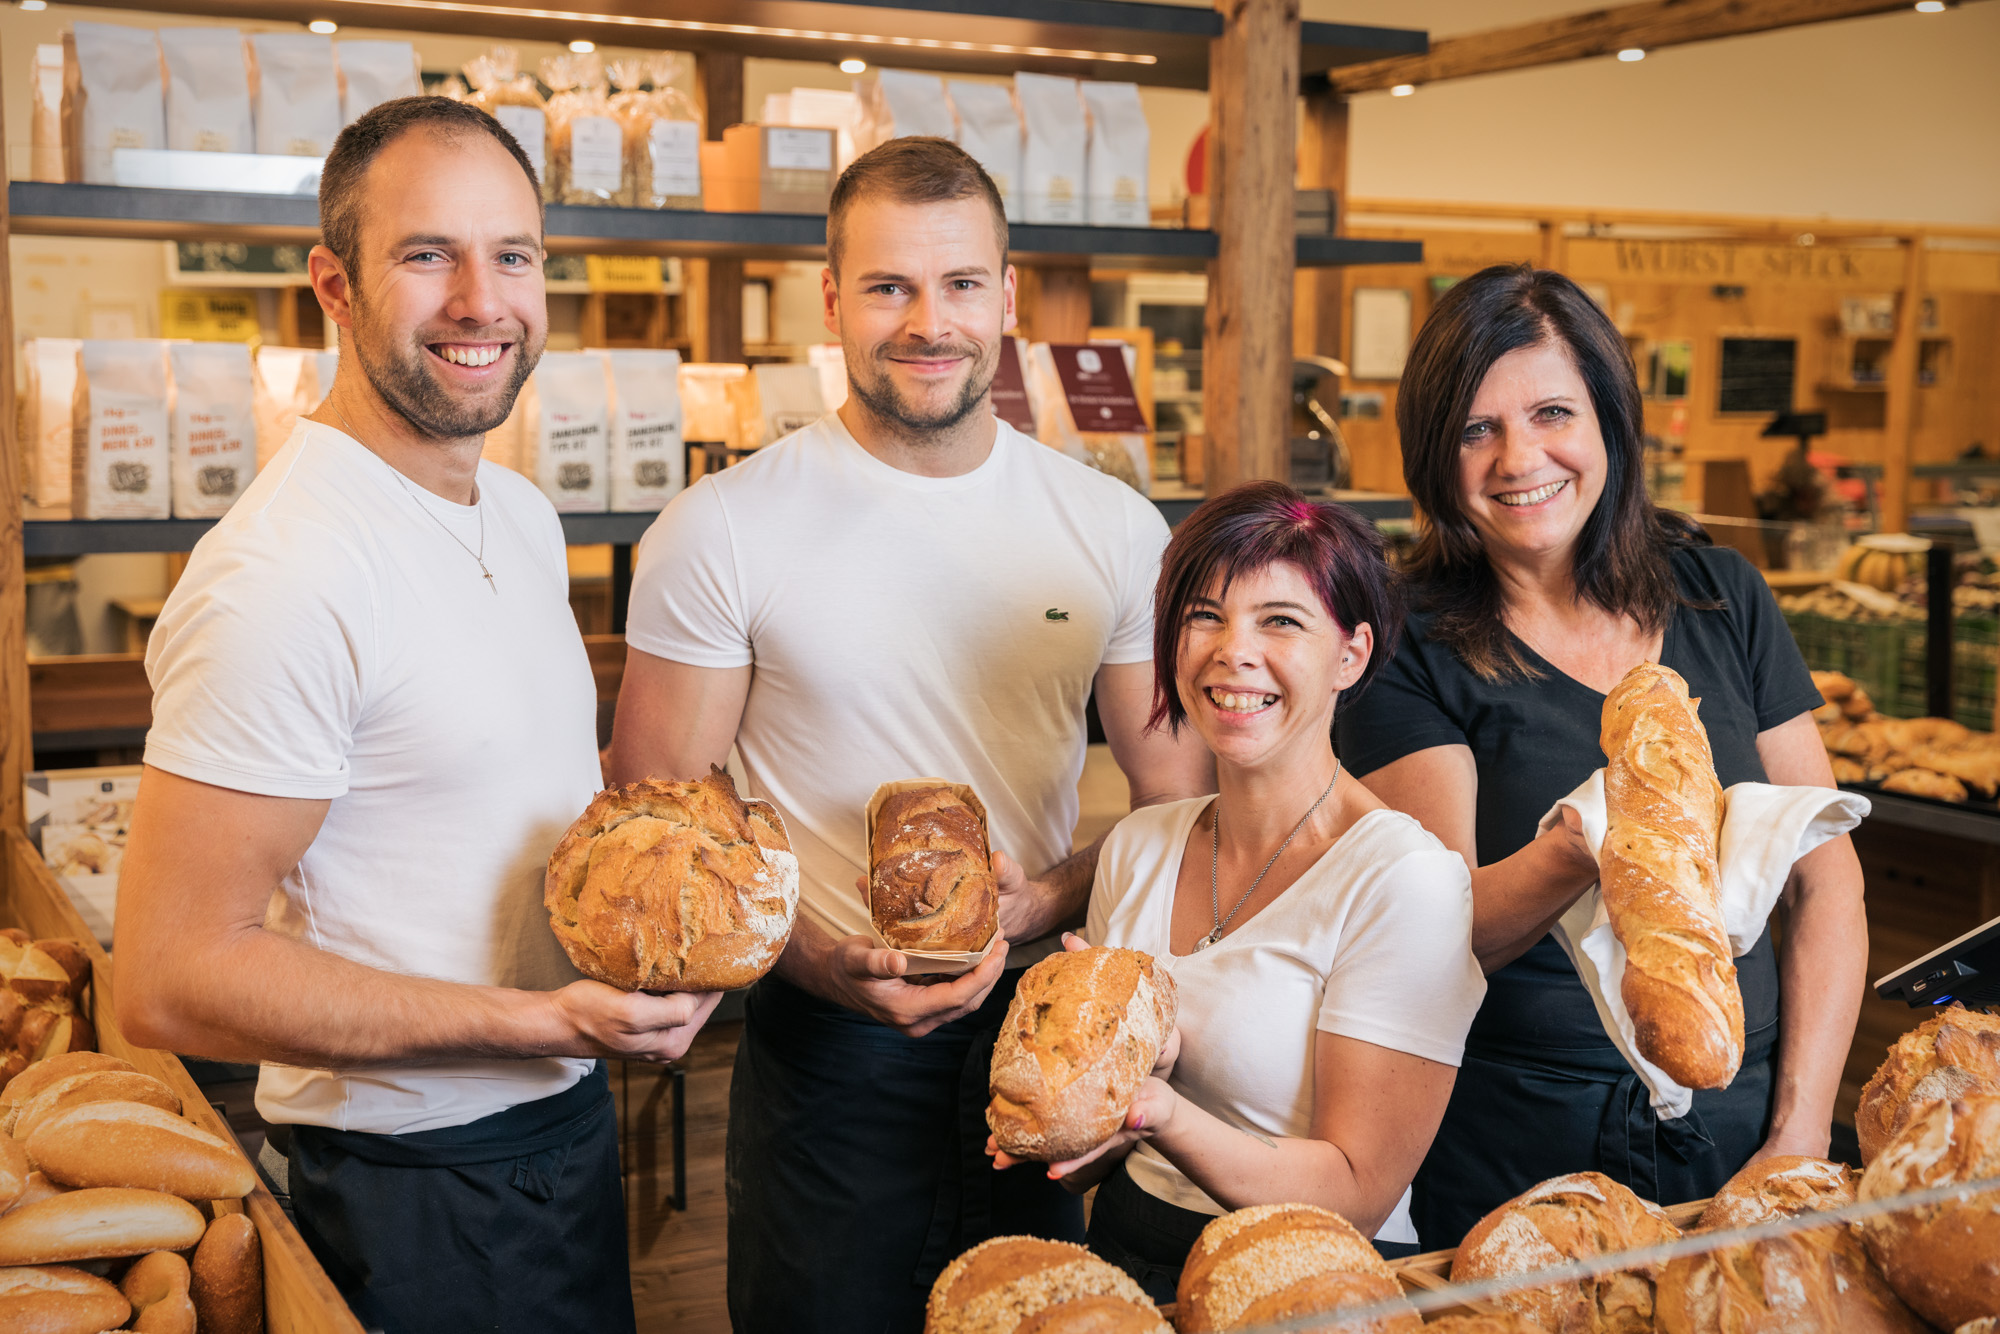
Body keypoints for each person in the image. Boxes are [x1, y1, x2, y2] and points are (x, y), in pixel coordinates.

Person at [115, 97, 720, 1333]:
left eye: (513, 255)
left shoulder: (516, 511)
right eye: (427, 255)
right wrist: (535, 1019)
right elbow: (171, 976)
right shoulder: (284, 575)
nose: (480, 301)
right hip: (409, 1179)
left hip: (557, 1115)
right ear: (333, 286)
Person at [607, 135, 1214, 1334]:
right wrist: (813, 956)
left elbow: (1181, 808)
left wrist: (1040, 901)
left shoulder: (1108, 526)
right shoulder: (722, 528)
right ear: (830, 297)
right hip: (827, 1042)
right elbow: (659, 828)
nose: (926, 322)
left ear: (1005, 291)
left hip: (1042, 1038)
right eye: (887, 286)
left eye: (958, 284)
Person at [1336, 264, 1867, 1250]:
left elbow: (1824, 878)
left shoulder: (1719, 593)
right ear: (1433, 452)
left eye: (1549, 412)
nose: (1517, 457)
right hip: (1522, 1139)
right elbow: (1436, 933)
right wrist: (1578, 845)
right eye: (1474, 428)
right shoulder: (1408, 641)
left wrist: (1797, 1127)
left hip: (1742, 1116)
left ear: (1609, 421)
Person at [989, 483, 1486, 1296]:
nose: (1232, 651)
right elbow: (1097, 1164)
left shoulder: (1404, 880)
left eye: (1280, 621)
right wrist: (1076, 1113)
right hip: (1127, 1248)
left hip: (1306, 1277)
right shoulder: (1139, 847)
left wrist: (1158, 1110)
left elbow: (1359, 1191)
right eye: (1204, 616)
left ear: (1351, 656)